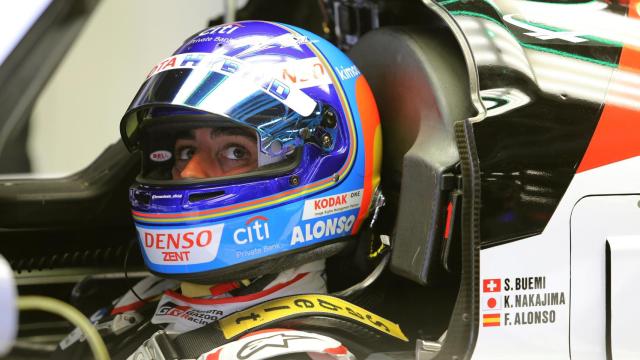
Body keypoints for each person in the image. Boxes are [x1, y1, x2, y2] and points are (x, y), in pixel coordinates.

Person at [53, 21, 406, 359]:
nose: (187, 172)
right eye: (185, 151)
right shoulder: (148, 298)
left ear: (321, 160)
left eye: (235, 151)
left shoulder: (294, 352)